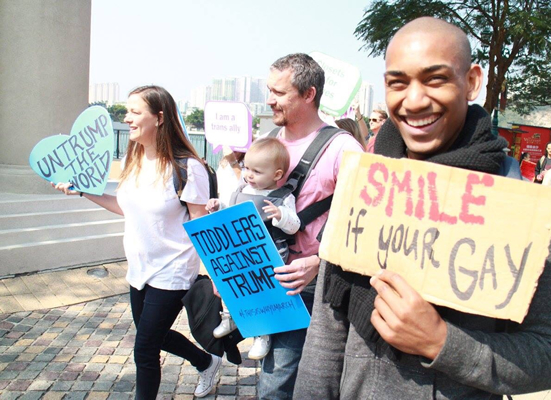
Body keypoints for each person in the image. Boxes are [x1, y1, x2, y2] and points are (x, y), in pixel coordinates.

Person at [294, 17, 551, 399]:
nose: (414, 100)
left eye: (435, 79)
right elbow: (325, 341)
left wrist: (442, 342)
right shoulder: (362, 191)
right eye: (398, 83)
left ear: (472, 81)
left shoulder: (523, 213)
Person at [52, 85, 221, 399]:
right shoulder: (134, 158)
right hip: (139, 269)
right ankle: (205, 362)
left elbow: (201, 224)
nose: (127, 118)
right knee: (154, 336)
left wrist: (217, 276)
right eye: (127, 111)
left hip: (172, 271)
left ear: (159, 118)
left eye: (135, 112)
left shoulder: (187, 167)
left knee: (144, 349)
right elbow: (125, 207)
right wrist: (83, 191)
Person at [258, 53, 364, 399]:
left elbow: (365, 225)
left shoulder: (343, 149)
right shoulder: (269, 139)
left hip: (311, 285)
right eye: (269, 90)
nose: (269, 99)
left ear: (309, 94)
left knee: (277, 384)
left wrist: (319, 264)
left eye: (279, 92)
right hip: (268, 280)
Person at [206, 137, 301, 361]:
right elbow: (230, 212)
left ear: (277, 175)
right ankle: (230, 315)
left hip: (268, 255)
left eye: (257, 171)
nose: (249, 175)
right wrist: (217, 207)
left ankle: (262, 333)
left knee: (262, 295)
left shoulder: (283, 197)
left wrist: (281, 216)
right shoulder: (241, 189)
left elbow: (294, 226)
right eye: (246, 168)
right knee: (232, 284)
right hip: (241, 251)